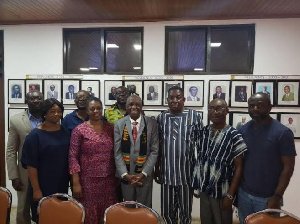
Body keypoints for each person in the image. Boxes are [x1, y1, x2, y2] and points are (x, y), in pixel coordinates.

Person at [237, 93, 296, 223]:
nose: (255, 109)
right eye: (251, 106)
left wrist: (277, 196)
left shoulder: (283, 133)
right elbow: (240, 162)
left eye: (260, 105)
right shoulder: (243, 130)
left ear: (269, 107)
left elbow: (288, 168)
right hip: (244, 195)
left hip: (268, 198)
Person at [193, 99, 247, 224]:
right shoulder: (203, 132)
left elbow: (239, 167)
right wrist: (197, 185)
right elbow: (201, 160)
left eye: (219, 108)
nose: (215, 112)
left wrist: (230, 195)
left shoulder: (234, 135)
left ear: (227, 110)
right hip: (205, 190)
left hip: (222, 192)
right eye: (211, 108)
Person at [155, 86, 202, 224]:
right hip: (167, 173)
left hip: (187, 174)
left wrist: (198, 174)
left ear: (184, 99)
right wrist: (157, 168)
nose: (174, 100)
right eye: (171, 98)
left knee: (185, 212)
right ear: (167, 100)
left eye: (178, 97)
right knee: (167, 212)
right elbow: (157, 146)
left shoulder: (194, 116)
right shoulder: (161, 117)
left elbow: (200, 147)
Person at [69, 97, 117, 224]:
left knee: (108, 214)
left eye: (99, 108)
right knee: (90, 215)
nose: (96, 111)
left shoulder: (110, 128)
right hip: (88, 181)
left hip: (109, 180)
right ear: (87, 111)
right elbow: (73, 157)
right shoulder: (79, 130)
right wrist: (76, 182)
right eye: (92, 109)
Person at [21, 98, 70, 223]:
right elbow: (31, 165)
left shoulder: (65, 132)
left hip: (61, 183)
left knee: (59, 216)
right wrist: (36, 189)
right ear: (44, 113)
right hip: (42, 185)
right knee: (43, 217)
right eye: (52, 111)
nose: (56, 114)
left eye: (59, 111)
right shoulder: (34, 136)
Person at [114, 95, 159, 207]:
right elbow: (117, 152)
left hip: (144, 175)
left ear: (141, 106)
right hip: (126, 175)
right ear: (126, 107)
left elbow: (154, 151)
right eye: (131, 104)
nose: (134, 107)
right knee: (128, 208)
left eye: (137, 104)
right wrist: (125, 174)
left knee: (144, 207)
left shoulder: (151, 124)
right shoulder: (119, 124)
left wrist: (143, 173)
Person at [6, 90, 43, 224]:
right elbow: (11, 150)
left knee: (45, 206)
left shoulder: (50, 117)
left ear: (42, 100)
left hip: (45, 171)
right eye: (32, 99)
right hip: (24, 172)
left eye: (39, 98)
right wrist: (13, 176)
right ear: (27, 101)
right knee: (22, 209)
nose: (36, 101)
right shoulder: (16, 120)